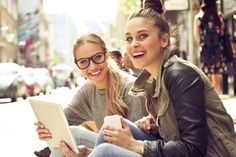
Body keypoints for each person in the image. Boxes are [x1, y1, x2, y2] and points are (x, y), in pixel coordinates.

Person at [71, 0, 234, 156]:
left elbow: (193, 149)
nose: (134, 44)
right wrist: (154, 125)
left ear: (164, 40)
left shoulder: (180, 74)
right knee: (111, 129)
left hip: (213, 153)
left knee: (105, 152)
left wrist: (135, 145)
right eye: (129, 39)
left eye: (142, 36)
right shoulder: (154, 78)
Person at [34, 33, 148, 157]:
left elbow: (136, 145)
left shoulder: (130, 88)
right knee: (72, 133)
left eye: (97, 57)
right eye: (83, 62)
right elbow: (64, 122)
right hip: (107, 147)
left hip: (135, 150)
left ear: (106, 55)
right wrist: (48, 130)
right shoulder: (88, 89)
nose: (92, 66)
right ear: (77, 65)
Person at [193, 0, 229, 93]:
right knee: (216, 75)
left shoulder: (198, 18)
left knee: (207, 76)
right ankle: (217, 96)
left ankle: (210, 99)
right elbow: (222, 32)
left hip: (205, 50)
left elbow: (197, 37)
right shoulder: (219, 17)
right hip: (218, 50)